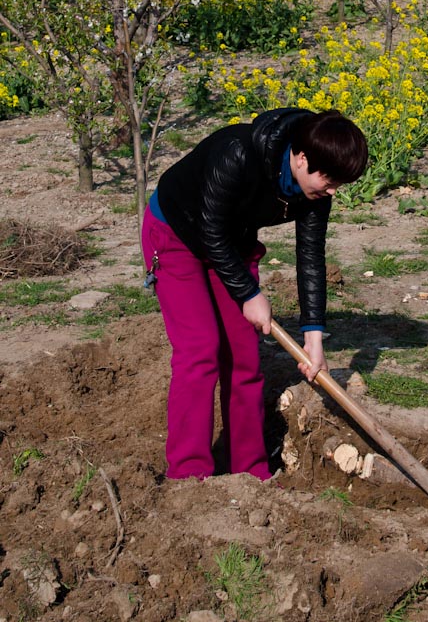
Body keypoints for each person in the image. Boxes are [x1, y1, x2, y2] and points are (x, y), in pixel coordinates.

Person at [141, 106, 368, 482]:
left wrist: (314, 339)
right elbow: (210, 229)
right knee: (200, 350)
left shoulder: (316, 191)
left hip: (232, 241)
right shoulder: (237, 152)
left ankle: (250, 470)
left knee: (244, 357)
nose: (332, 191)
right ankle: (188, 473)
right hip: (177, 233)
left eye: (338, 185)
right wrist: (249, 294)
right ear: (300, 157)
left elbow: (310, 255)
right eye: (328, 180)